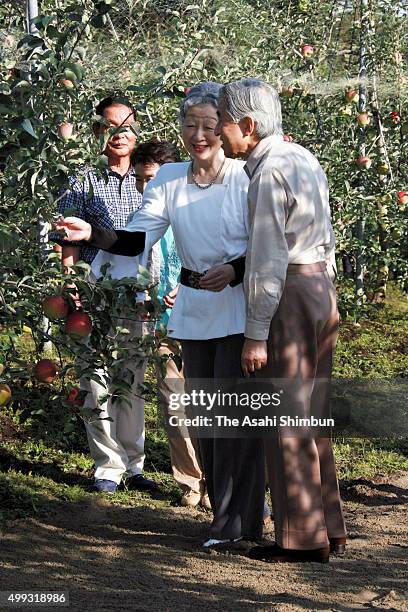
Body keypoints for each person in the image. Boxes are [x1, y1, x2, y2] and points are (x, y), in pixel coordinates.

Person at [54, 82, 266, 547]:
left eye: (210, 125)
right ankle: (228, 519)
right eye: (191, 124)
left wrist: (234, 269)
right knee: (205, 418)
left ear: (226, 127)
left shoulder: (247, 176)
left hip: (236, 306)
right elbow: (135, 240)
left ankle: (242, 517)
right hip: (192, 308)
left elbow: (271, 247)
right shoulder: (169, 177)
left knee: (232, 416)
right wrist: (93, 231)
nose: (199, 134)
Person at [215, 78, 347, 563]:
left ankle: (301, 539)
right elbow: (326, 233)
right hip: (319, 288)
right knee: (314, 417)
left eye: (225, 123)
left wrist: (255, 334)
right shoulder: (302, 156)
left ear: (248, 126)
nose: (222, 135)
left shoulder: (268, 171)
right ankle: (327, 527)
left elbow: (268, 258)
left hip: (289, 292)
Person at [52, 95, 156, 494]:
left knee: (131, 372)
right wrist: (72, 283)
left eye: (126, 126)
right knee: (94, 374)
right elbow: (67, 237)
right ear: (97, 130)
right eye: (110, 126)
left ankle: (135, 462)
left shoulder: (150, 178)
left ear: (136, 130)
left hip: (136, 289)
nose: (119, 134)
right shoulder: (83, 179)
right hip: (94, 288)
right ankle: (107, 465)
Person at [133, 139, 207, 508]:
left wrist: (188, 289)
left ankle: (220, 480)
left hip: (204, 320)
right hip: (160, 325)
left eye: (154, 180)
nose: (147, 188)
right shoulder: (140, 222)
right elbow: (125, 269)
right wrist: (140, 297)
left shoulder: (195, 211)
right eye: (141, 179)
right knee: (174, 405)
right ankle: (192, 482)